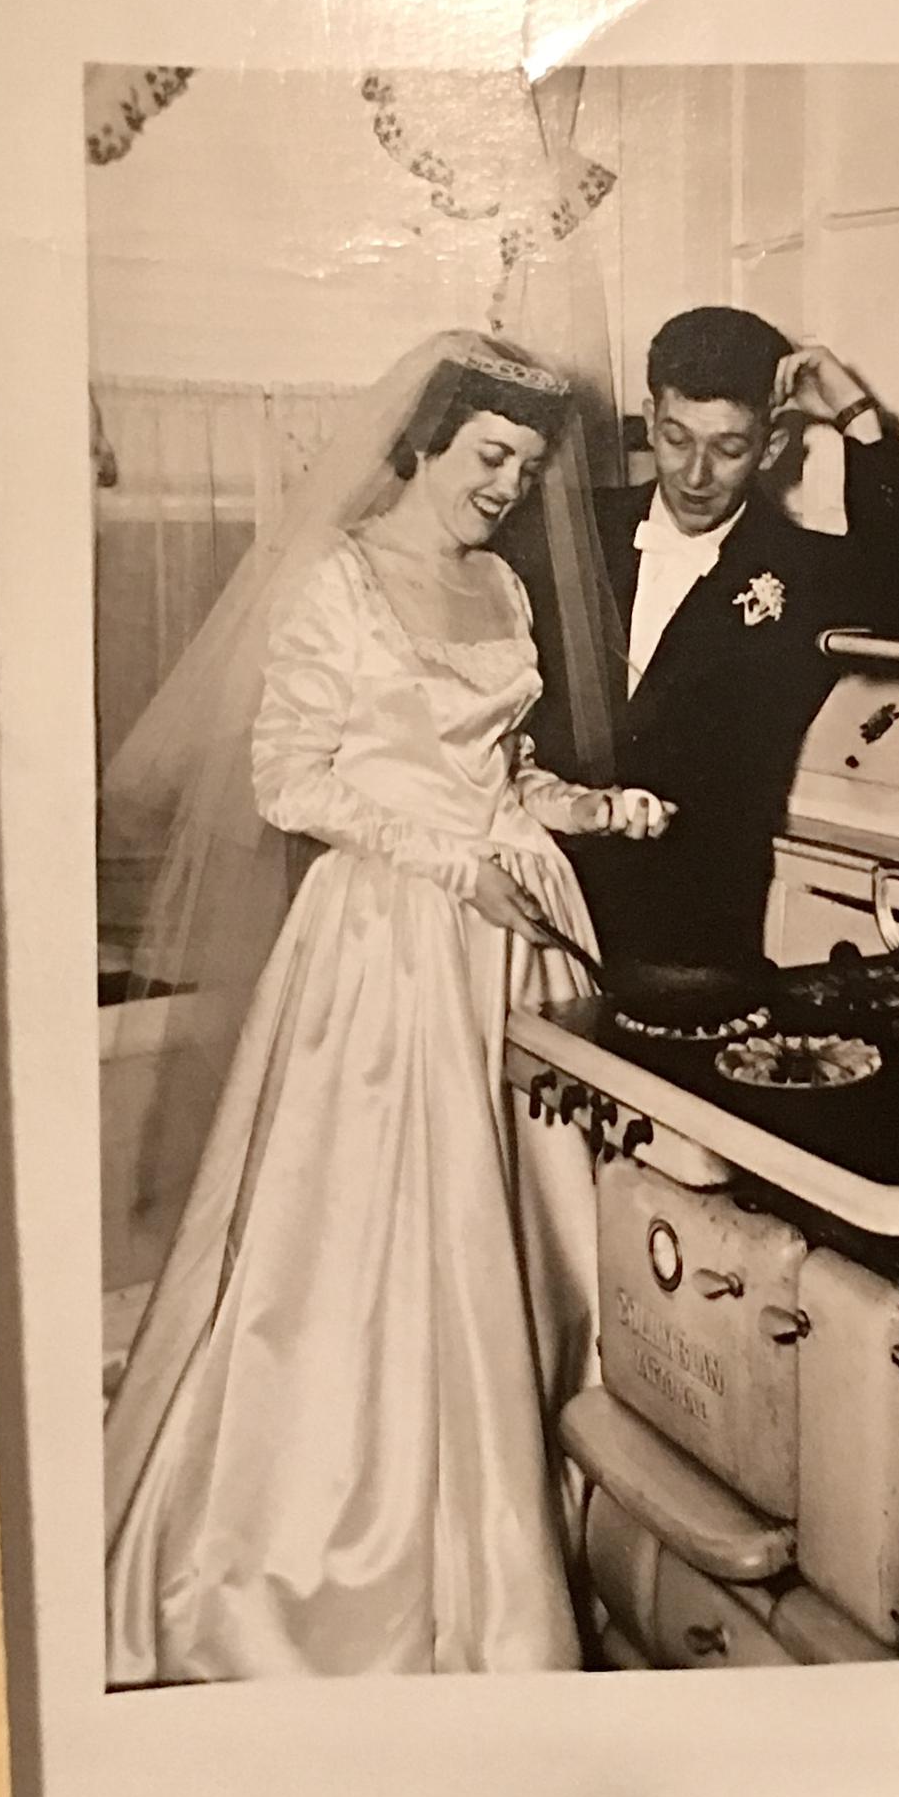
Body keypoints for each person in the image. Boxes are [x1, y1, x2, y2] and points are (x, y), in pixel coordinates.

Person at [103, 331, 669, 1684]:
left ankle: (537, 1520)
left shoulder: (501, 585)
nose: (506, 488)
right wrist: (456, 868)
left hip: (518, 934)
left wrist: (591, 811)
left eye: (525, 469)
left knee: (530, 1236)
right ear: (423, 442)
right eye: (490, 458)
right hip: (387, 947)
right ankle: (352, 1555)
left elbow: (496, 770)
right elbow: (290, 779)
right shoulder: (337, 582)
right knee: (376, 1251)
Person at [496, 305, 899, 973]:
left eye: (729, 449)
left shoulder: (804, 572)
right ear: (651, 421)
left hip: (693, 942)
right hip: (536, 909)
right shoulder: (568, 531)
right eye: (677, 439)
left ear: (772, 447)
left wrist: (858, 417)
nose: (696, 475)